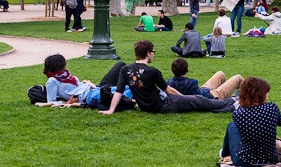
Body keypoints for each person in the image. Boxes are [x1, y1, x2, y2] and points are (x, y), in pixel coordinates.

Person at [100, 40, 235, 115]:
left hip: (147, 107)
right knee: (199, 100)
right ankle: (232, 104)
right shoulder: (152, 71)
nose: (153, 54)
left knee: (197, 101)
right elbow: (168, 90)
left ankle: (230, 103)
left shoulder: (125, 70)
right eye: (153, 52)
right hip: (164, 105)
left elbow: (118, 91)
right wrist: (184, 97)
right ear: (148, 53)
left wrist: (111, 110)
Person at [221, 77, 281, 167]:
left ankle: (225, 153)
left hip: (245, 160)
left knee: (232, 126)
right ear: (260, 94)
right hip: (270, 158)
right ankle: (226, 153)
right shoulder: (272, 108)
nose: (268, 95)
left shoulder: (238, 114)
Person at [167, 58, 243, 99]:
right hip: (212, 97)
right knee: (238, 78)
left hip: (204, 91)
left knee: (220, 74)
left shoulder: (169, 82)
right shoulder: (192, 83)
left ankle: (228, 96)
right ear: (186, 70)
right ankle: (241, 99)